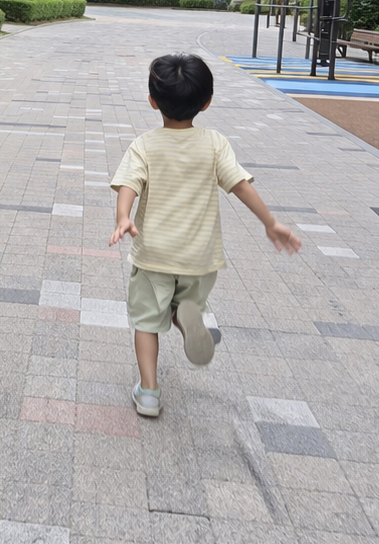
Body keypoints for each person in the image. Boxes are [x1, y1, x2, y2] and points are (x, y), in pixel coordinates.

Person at [109, 53, 302, 417]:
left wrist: (124, 217)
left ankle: (149, 392)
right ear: (207, 102)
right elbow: (240, 185)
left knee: (147, 322)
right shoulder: (214, 144)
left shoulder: (145, 145)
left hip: (154, 255)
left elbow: (130, 183)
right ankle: (185, 318)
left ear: (153, 101)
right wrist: (270, 223)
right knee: (184, 302)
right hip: (201, 256)